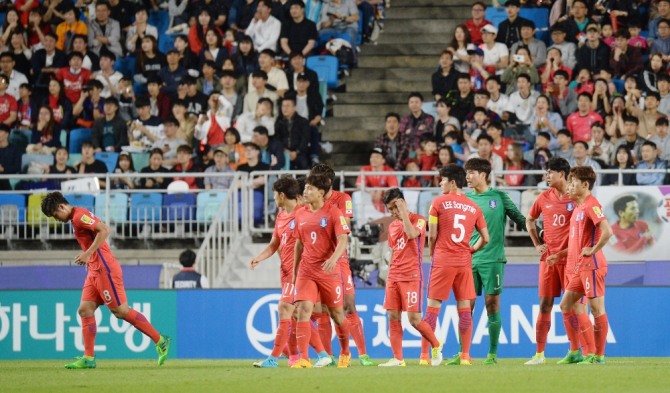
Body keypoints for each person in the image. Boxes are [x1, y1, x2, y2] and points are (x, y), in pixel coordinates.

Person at [40, 192, 171, 369]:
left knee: (121, 311)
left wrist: (87, 253)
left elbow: (104, 230)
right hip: (94, 270)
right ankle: (88, 358)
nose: (56, 219)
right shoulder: (76, 216)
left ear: (62, 207)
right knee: (85, 310)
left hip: (104, 269)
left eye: (55, 215)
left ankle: (160, 340)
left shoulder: (79, 216)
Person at [448, 158, 526, 366]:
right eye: (466, 173)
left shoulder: (499, 197)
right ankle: (463, 353)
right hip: (468, 260)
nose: (467, 177)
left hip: (493, 260)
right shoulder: (463, 200)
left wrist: (542, 233)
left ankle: (492, 354)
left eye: (471, 173)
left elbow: (520, 219)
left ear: (483, 174)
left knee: (492, 305)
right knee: (466, 307)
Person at [250, 175, 331, 368]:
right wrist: (259, 258)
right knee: (295, 316)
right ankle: (311, 355)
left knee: (285, 309)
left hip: (301, 273)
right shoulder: (280, 217)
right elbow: (275, 244)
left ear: (282, 195)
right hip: (286, 273)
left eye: (275, 195)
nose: (274, 199)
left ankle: (273, 359)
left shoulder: (303, 214)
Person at [419, 165, 489, 366]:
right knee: (465, 310)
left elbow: (432, 235)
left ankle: (425, 356)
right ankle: (465, 356)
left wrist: (433, 253)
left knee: (432, 310)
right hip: (464, 263)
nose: (440, 183)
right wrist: (471, 250)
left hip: (443, 260)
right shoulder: (474, 207)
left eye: (442, 180)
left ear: (452, 182)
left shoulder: (438, 203)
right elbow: (486, 237)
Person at [310, 163, 374, 366]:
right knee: (322, 311)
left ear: (327, 183)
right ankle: (327, 356)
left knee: (348, 305)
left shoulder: (343, 199)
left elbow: (344, 229)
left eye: (316, 181)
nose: (311, 186)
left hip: (339, 259)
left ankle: (362, 354)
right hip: (316, 263)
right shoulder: (310, 202)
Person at [290, 173, 353, 368]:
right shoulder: (300, 213)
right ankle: (304, 359)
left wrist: (334, 259)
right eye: (305, 188)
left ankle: (345, 351)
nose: (305, 191)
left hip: (328, 271)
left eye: (310, 189)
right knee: (303, 311)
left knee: (337, 315)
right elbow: (299, 245)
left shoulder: (334, 212)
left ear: (321, 192)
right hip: (307, 271)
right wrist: (294, 272)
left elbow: (343, 239)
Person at [376, 187, 444, 367]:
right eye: (390, 209)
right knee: (393, 316)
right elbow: (394, 250)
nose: (393, 212)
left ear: (403, 203)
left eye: (395, 207)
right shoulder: (391, 226)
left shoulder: (419, 220)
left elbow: (412, 234)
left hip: (412, 276)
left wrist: (404, 213)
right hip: (394, 276)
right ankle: (398, 358)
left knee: (414, 319)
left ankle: (436, 345)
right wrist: (389, 273)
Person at [524, 158, 576, 365]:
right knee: (545, 304)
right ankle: (539, 354)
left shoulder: (575, 198)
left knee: (571, 306)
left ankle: (574, 351)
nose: (546, 177)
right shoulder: (543, 197)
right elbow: (529, 220)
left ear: (562, 174)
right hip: (548, 260)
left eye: (550, 173)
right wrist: (537, 243)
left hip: (569, 260)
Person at [559, 166, 612, 364]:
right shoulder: (578, 208)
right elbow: (577, 243)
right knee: (566, 304)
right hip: (580, 267)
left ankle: (599, 356)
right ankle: (577, 352)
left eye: (573, 183)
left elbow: (607, 231)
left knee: (597, 309)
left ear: (585, 185)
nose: (570, 186)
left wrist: (593, 249)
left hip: (592, 265)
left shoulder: (591, 205)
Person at [0, 124, 20, 190]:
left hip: (8, 179)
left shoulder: (15, 149)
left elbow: (17, 167)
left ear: (6, 134)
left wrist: (3, 169)